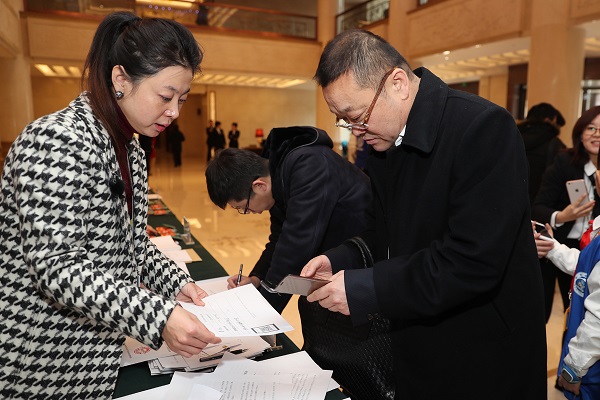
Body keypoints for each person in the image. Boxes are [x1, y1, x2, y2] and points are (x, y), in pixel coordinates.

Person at [300, 29, 547, 399]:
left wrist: (368, 288)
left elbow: (471, 260)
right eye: (344, 120)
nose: (355, 130)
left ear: (397, 83)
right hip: (418, 337)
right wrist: (339, 259)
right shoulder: (387, 140)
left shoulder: (481, 128)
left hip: (482, 354)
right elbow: (381, 232)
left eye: (356, 116)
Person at [0, 12, 220, 399]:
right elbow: (58, 266)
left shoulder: (128, 144)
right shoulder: (55, 140)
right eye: (166, 97)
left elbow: (129, 244)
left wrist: (175, 284)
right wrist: (158, 315)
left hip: (91, 356)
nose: (175, 112)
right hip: (41, 359)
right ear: (121, 80)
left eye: (182, 100)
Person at [205, 126, 384, 397]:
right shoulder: (278, 177)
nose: (248, 212)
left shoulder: (308, 166)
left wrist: (258, 315)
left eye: (243, 207)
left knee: (359, 353)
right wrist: (256, 279)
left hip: (366, 257)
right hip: (335, 258)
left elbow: (296, 244)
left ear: (258, 185)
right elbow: (279, 237)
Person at [533, 106, 600, 321]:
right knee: (566, 312)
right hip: (563, 246)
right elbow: (539, 206)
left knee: (587, 315)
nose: (597, 134)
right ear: (580, 133)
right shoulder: (564, 161)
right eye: (591, 128)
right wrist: (563, 216)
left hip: (595, 252)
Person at [534, 215, 600, 398]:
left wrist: (573, 369)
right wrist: (552, 247)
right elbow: (587, 267)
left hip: (591, 366)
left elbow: (598, 318)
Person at [519, 102, 567, 323]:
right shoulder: (556, 146)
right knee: (541, 288)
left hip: (510, 218)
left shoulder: (511, 135)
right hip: (541, 224)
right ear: (550, 120)